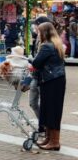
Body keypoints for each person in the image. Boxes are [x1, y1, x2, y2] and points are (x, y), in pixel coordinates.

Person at [32, 22, 66, 151]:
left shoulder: (46, 46)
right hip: (56, 80)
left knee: (51, 111)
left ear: (45, 33)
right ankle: (49, 138)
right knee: (50, 110)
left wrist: (27, 59)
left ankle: (54, 142)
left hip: (51, 81)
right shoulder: (56, 44)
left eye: (39, 32)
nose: (38, 34)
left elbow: (36, 62)